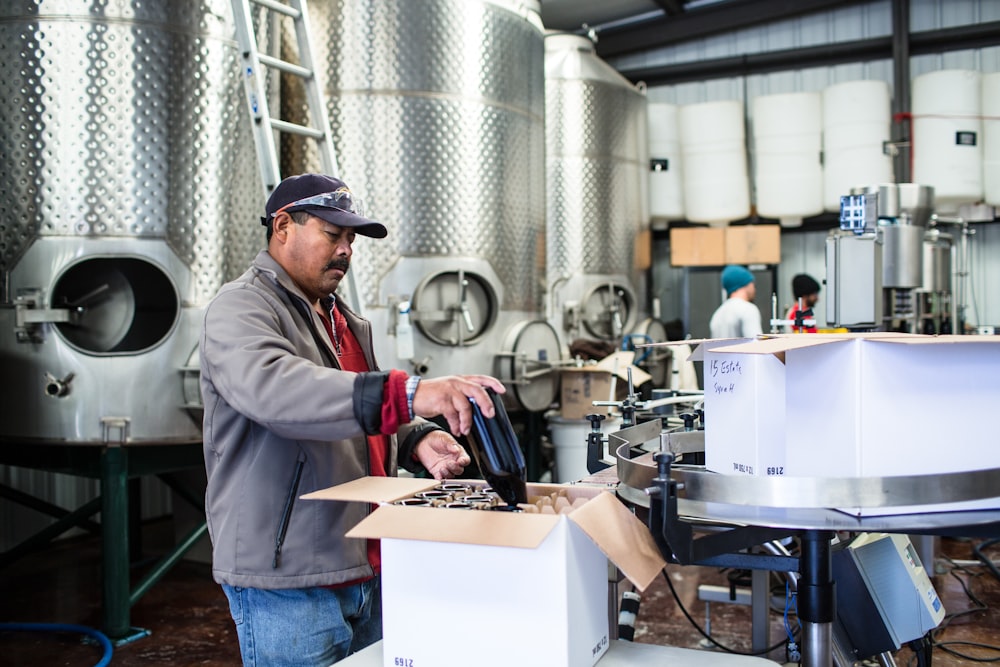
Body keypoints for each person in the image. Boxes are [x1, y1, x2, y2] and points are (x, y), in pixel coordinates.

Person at [199, 173, 506, 667]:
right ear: (282, 227)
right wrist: (410, 393)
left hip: (365, 562)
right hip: (291, 578)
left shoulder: (340, 318)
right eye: (332, 235)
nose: (345, 250)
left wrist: (417, 439)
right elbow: (278, 391)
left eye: (350, 240)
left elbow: (359, 406)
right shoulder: (241, 308)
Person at [709, 264, 763, 339]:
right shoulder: (748, 309)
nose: (754, 288)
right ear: (745, 284)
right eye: (752, 283)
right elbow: (756, 345)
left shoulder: (717, 315)